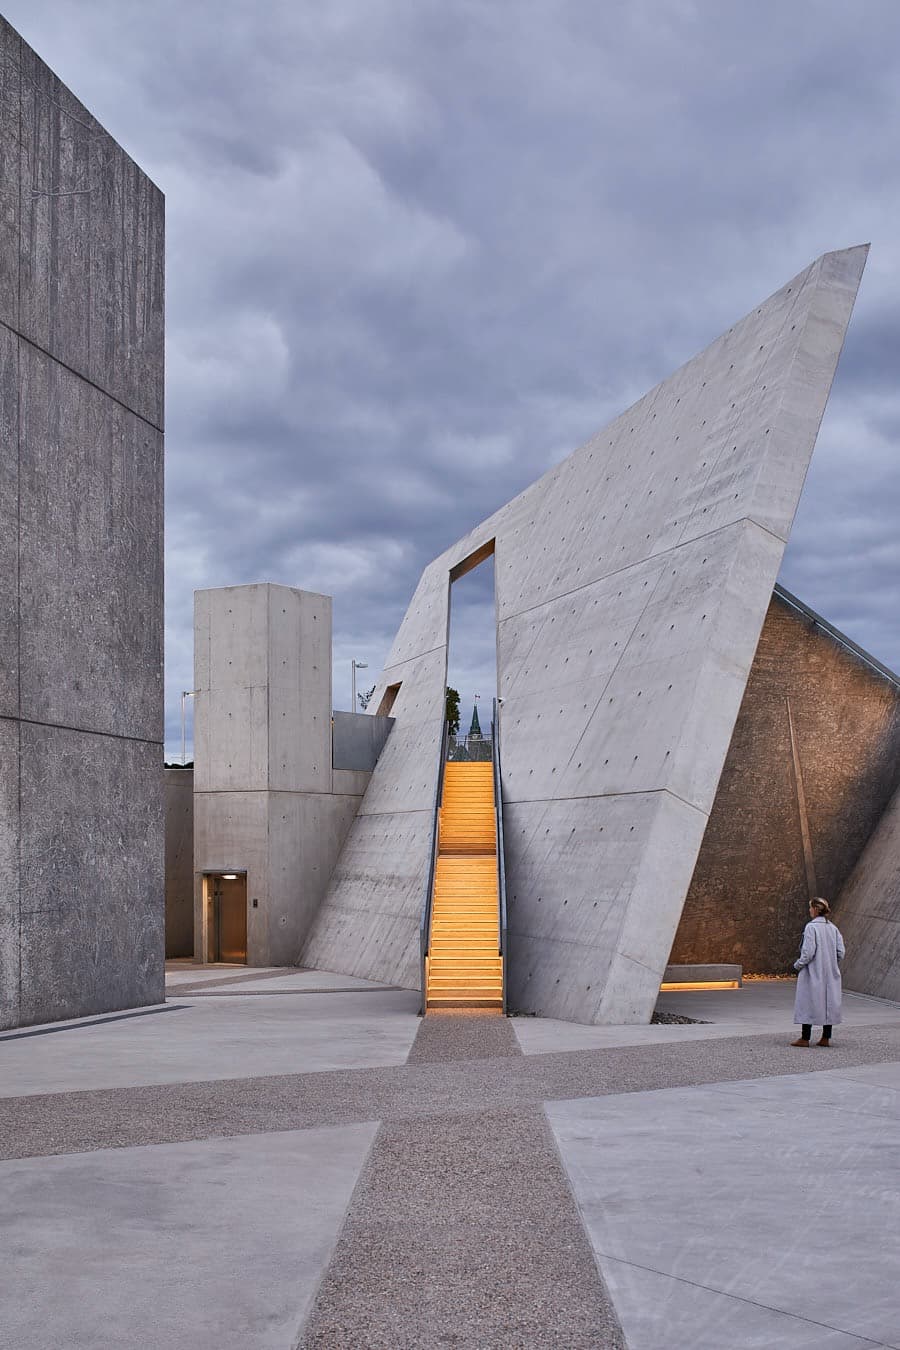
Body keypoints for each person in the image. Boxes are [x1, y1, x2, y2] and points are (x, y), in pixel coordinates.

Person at [791, 897, 845, 1047]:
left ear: (815, 909)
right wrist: (831, 962)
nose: (809, 910)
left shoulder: (811, 927)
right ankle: (825, 1038)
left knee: (808, 1002)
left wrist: (798, 965)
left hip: (812, 971)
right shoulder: (833, 928)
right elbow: (841, 952)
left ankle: (805, 1038)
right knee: (829, 1003)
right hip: (830, 972)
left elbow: (808, 952)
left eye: (810, 907)